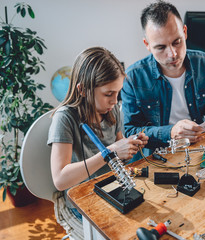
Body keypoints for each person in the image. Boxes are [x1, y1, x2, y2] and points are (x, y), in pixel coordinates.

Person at [121, 1, 205, 156]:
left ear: (185, 32)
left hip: (198, 146)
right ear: (147, 44)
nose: (173, 54)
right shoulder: (133, 77)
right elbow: (131, 131)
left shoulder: (204, 61)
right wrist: (170, 132)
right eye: (161, 47)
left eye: (177, 42)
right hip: (157, 155)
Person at [48, 47, 148, 219]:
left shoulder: (112, 109)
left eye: (118, 93)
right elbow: (60, 179)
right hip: (82, 199)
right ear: (83, 90)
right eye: (109, 94)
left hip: (113, 188)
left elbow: (119, 159)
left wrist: (129, 146)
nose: (115, 100)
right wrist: (110, 151)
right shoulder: (65, 118)